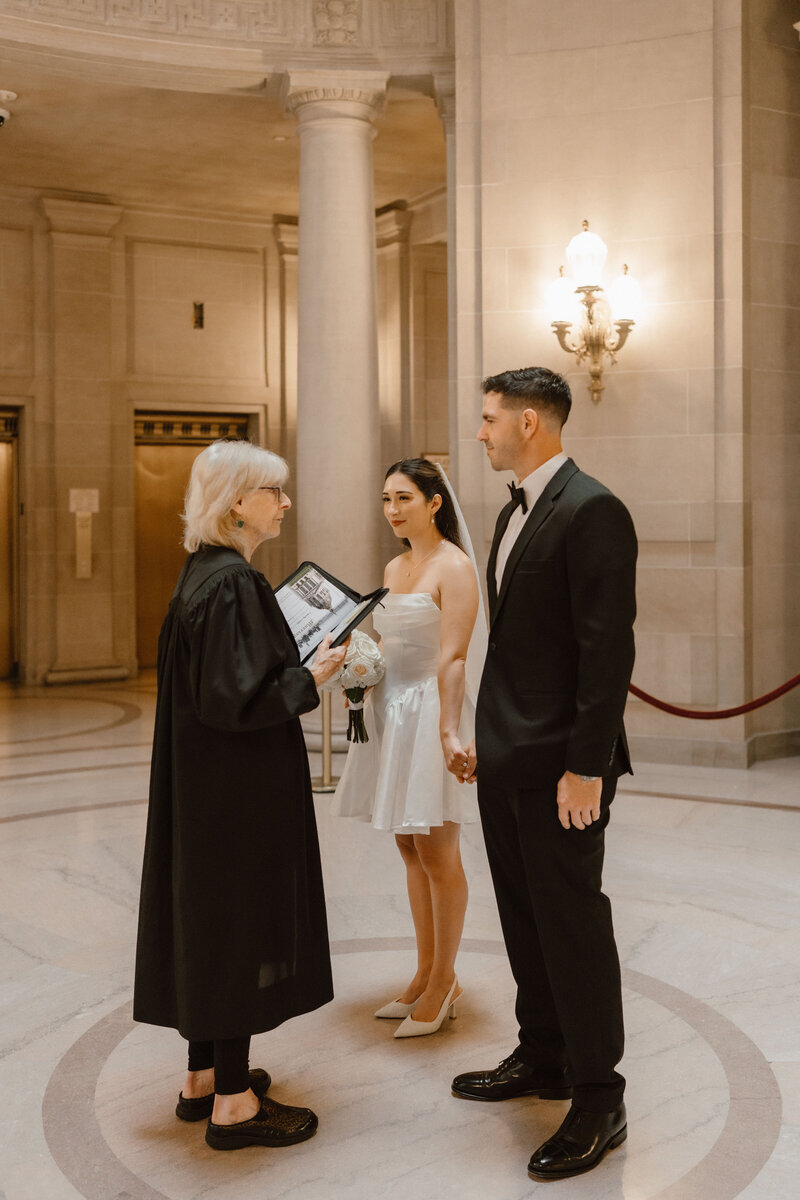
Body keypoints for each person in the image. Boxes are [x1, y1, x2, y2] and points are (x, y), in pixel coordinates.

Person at [133, 439, 347, 1152]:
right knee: (234, 929)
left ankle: (203, 1078)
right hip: (235, 796)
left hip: (203, 789)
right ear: (237, 504)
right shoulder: (233, 583)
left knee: (209, 924)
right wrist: (310, 677)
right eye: (274, 493)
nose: (285, 504)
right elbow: (237, 699)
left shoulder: (201, 573)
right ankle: (233, 1105)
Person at [451, 367, 637, 1182]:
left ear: (530, 422)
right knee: (525, 918)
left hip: (565, 765)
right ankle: (545, 1053)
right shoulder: (510, 511)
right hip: (508, 757)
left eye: (489, 419)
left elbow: (607, 654)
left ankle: (599, 1095)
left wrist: (585, 770)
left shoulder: (593, 509)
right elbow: (515, 647)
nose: (481, 432)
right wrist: (480, 741)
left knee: (572, 925)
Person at [332, 458, 486, 1037]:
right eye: (386, 499)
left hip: (429, 713)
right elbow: (384, 643)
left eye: (404, 498)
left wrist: (449, 732)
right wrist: (358, 664)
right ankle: (424, 969)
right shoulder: (395, 566)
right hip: (390, 711)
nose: (393, 510)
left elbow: (453, 658)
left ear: (434, 502)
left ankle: (446, 979)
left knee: (438, 850)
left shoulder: (456, 567)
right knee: (407, 844)